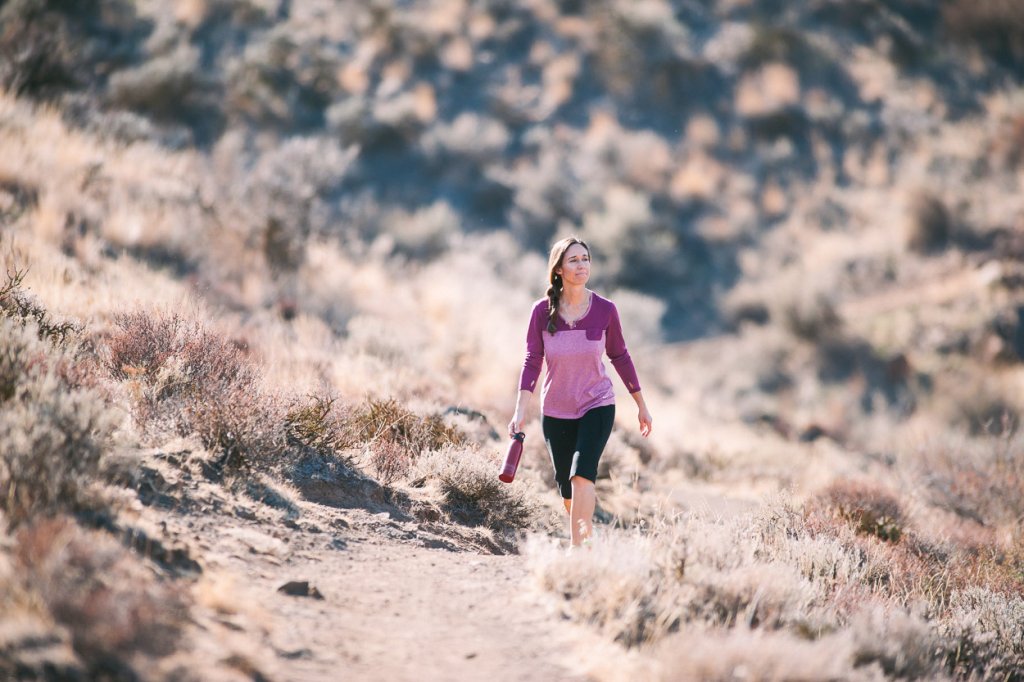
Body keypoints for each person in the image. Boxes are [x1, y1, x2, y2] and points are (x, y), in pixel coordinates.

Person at [508, 236, 653, 547]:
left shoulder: (605, 310)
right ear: (559, 269)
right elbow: (533, 361)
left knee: (581, 476)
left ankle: (579, 552)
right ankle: (587, 534)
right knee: (567, 489)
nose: (581, 265)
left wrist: (641, 404)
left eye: (585, 259)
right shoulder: (541, 312)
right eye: (573, 260)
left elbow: (620, 356)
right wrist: (520, 410)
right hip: (556, 411)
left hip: (596, 404)